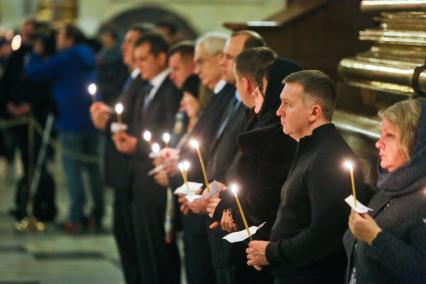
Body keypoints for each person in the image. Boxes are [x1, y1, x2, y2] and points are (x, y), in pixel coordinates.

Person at [246, 70, 367, 283]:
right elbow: (295, 215)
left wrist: (272, 253)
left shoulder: (329, 157)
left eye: (287, 104)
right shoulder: (310, 148)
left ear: (314, 112)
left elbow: (324, 234)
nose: (278, 112)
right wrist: (265, 246)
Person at [207, 47, 302, 284]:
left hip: (267, 246)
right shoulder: (261, 126)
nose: (255, 95)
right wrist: (227, 206)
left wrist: (225, 209)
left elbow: (265, 197)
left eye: (263, 89)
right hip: (252, 241)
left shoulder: (278, 136)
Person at [112, 32, 182, 284]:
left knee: (159, 256)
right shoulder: (146, 87)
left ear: (161, 57)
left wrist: (136, 144)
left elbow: (169, 133)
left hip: (156, 184)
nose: (137, 63)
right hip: (138, 181)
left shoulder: (171, 90)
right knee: (144, 256)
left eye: (144, 59)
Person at [25, 24, 103, 233]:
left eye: (60, 35)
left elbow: (35, 73)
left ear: (70, 39)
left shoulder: (67, 57)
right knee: (93, 170)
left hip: (70, 120)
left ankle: (75, 217)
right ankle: (97, 215)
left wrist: (36, 53)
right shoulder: (88, 55)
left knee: (73, 171)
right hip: (92, 120)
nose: (57, 40)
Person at [90, 23, 152, 284]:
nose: (125, 48)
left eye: (133, 43)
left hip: (134, 175)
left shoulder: (144, 82)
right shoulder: (132, 79)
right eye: (126, 43)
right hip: (122, 175)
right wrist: (108, 121)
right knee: (127, 245)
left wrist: (112, 125)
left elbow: (140, 127)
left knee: (142, 253)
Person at [343, 98, 426, 284]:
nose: (378, 143)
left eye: (389, 136)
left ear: (415, 143)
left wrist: (375, 237)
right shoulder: (389, 188)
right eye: (380, 134)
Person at [96, 28, 128, 106]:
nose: (102, 38)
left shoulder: (117, 51)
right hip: (105, 87)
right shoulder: (104, 50)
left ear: (111, 37)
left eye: (104, 35)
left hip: (114, 87)